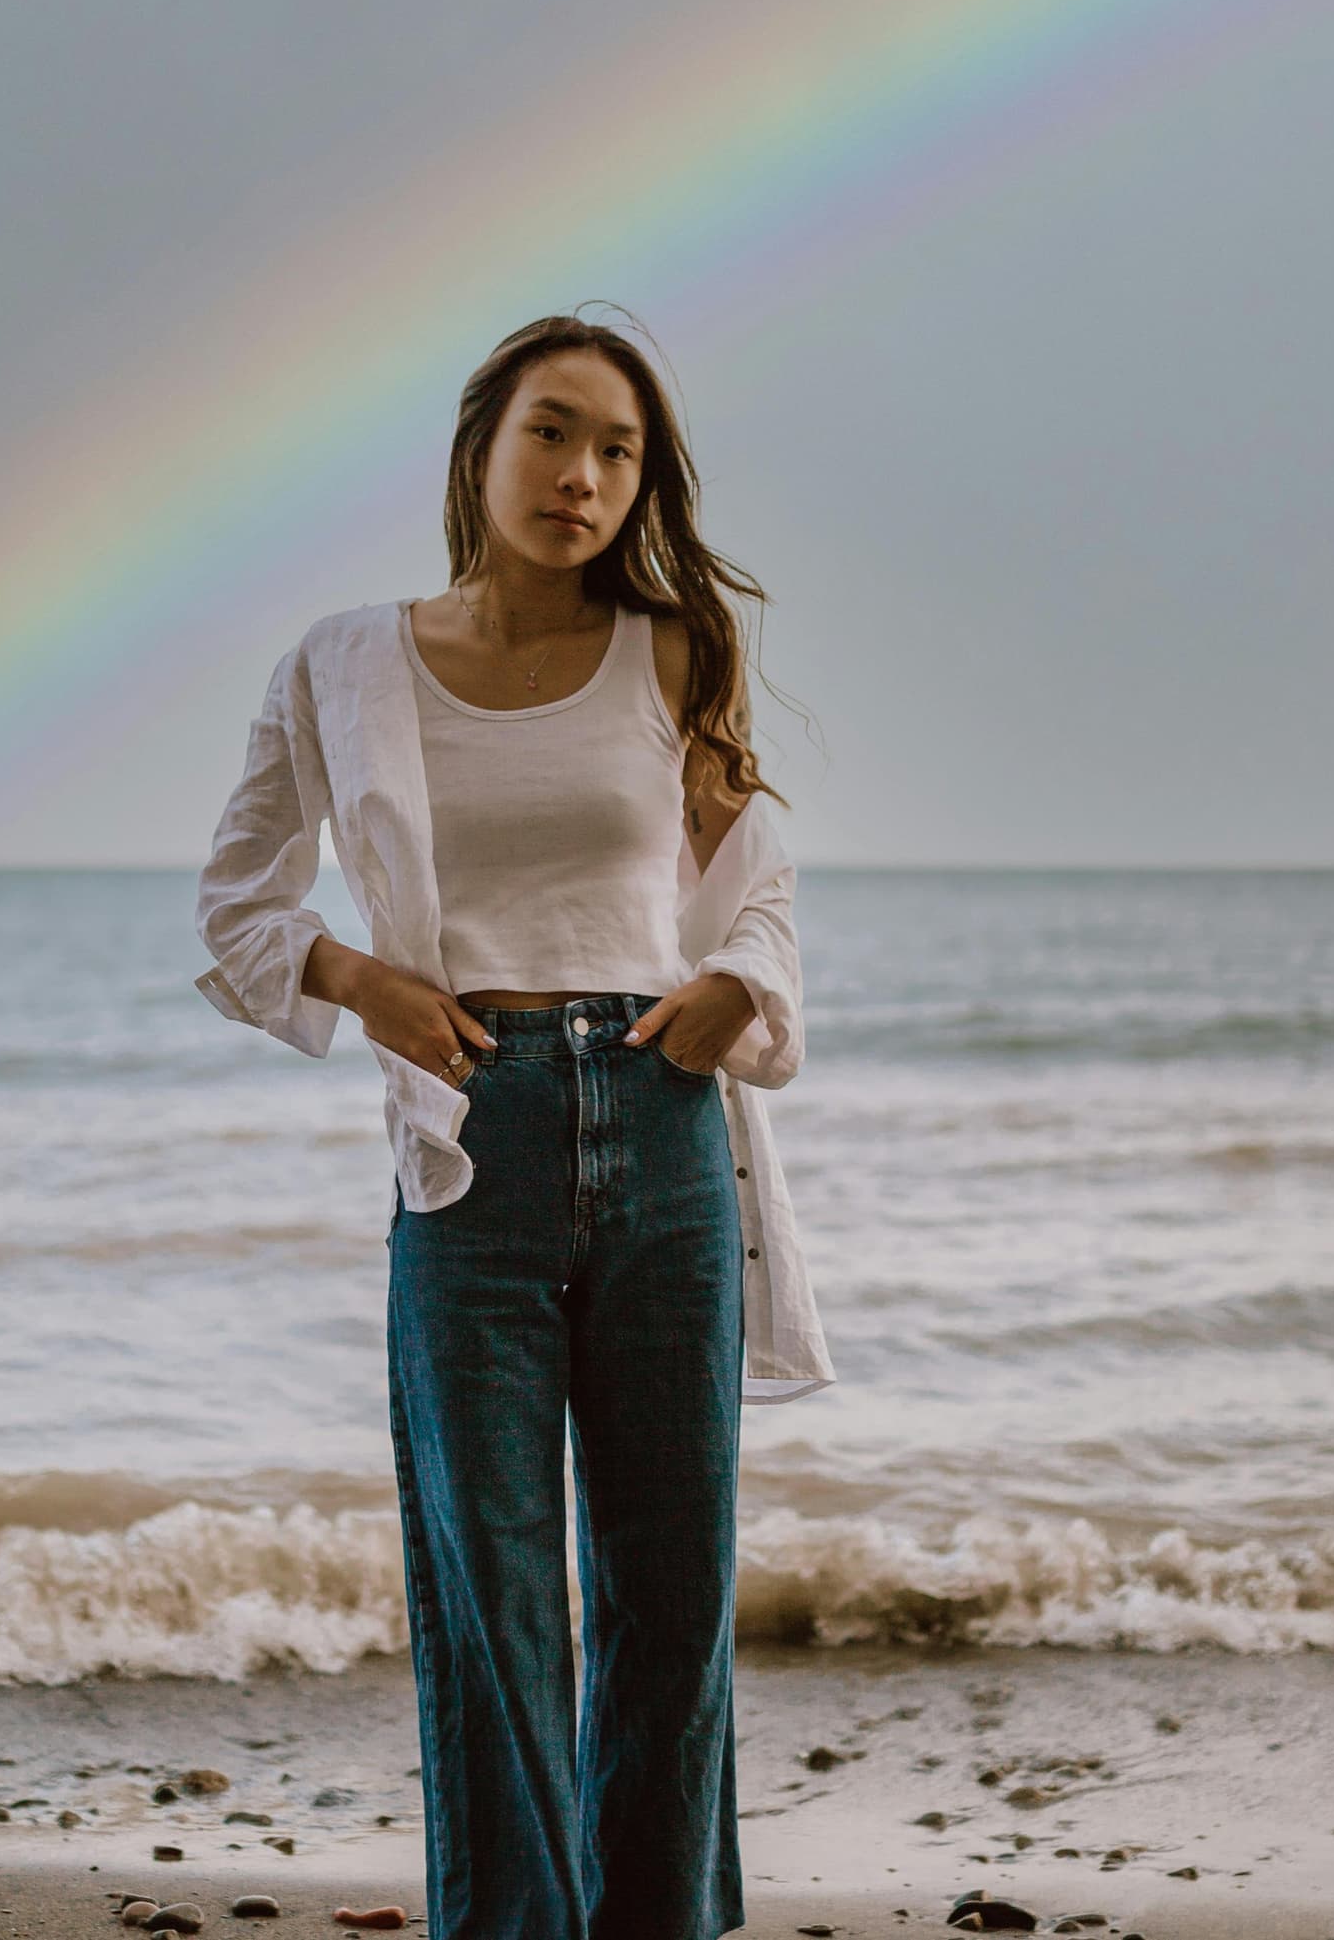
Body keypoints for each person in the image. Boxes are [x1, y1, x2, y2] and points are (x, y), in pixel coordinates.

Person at [193, 310, 832, 1940]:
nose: (586, 476)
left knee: (670, 1593)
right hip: (472, 1144)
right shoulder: (341, 662)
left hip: (666, 1128)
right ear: (482, 444)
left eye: (620, 450)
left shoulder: (675, 649)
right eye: (555, 433)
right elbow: (236, 910)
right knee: (492, 1597)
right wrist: (359, 978)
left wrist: (727, 988)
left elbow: (759, 894)